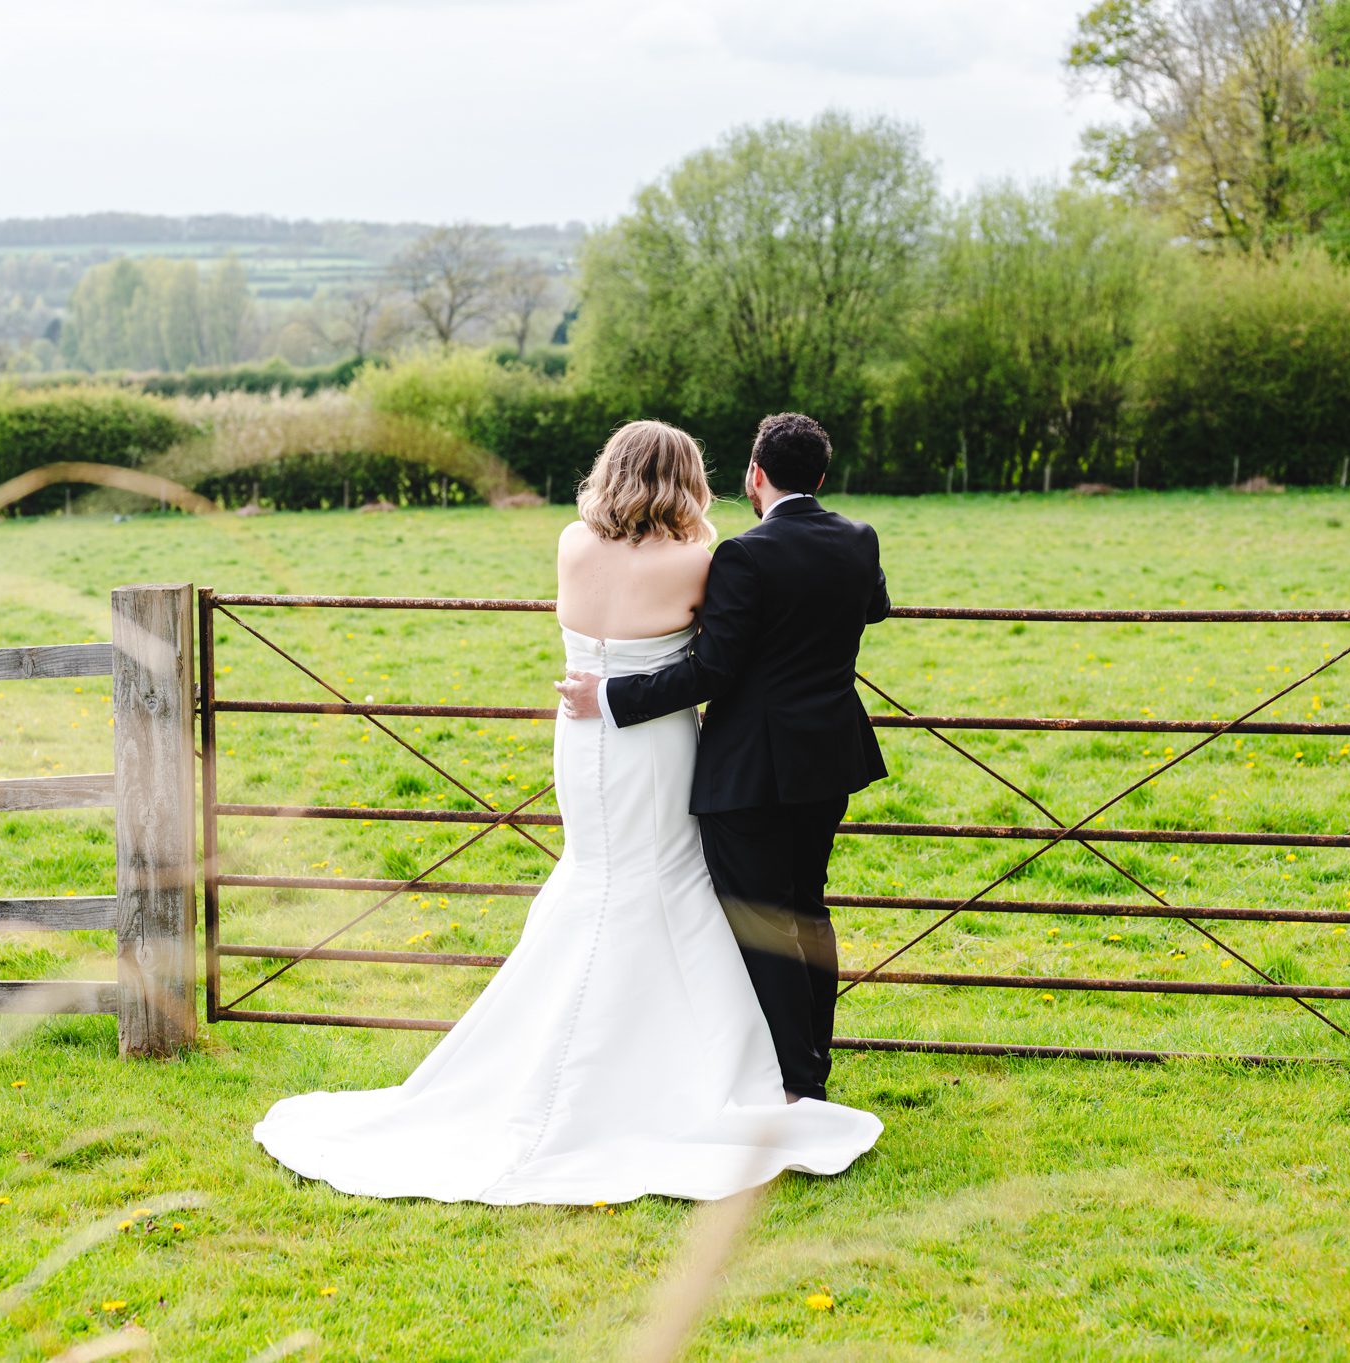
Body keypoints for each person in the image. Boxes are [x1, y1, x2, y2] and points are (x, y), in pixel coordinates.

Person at [253, 418, 881, 1204]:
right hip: (650, 739)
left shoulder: (571, 543)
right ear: (688, 479)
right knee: (666, 880)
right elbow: (721, 653)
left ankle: (559, 1055)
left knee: (597, 875)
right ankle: (699, 1063)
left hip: (581, 735)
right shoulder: (701, 555)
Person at [556, 411, 890, 1102]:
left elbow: (714, 668)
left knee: (757, 916)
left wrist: (612, 695)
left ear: (755, 474)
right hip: (831, 755)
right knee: (809, 906)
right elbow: (874, 608)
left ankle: (796, 1076)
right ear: (822, 477)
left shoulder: (742, 555)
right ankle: (812, 1056)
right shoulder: (859, 537)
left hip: (749, 766)